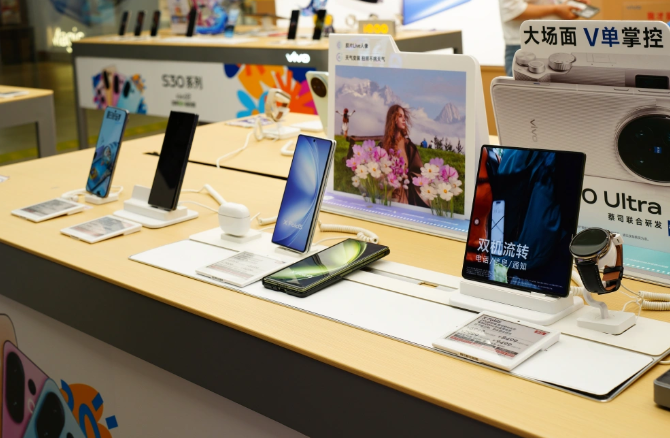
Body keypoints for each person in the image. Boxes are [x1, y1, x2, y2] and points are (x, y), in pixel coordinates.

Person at [499, 0, 590, 77]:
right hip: (525, 47)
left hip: (559, 43)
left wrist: (571, 3)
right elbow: (512, 9)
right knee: (525, 90)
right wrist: (556, 9)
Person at [381, 104, 429, 208]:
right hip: (385, 196)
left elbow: (419, 172)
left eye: (404, 116)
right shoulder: (382, 145)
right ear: (393, 119)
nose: (404, 120)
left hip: (402, 198)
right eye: (400, 116)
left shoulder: (408, 146)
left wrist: (405, 176)